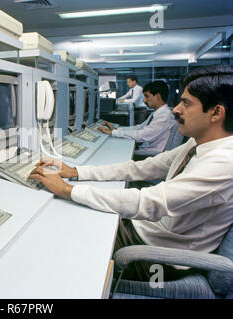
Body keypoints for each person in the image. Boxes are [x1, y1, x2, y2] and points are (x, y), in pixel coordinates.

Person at [29, 65, 233, 282]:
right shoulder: (199, 142)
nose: (176, 109)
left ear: (216, 113)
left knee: (62, 243)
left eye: (186, 103)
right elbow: (143, 167)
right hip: (145, 232)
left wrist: (67, 189)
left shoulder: (224, 163)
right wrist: (77, 171)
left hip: (161, 259)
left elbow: (148, 201)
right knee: (69, 220)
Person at [98, 80, 175, 157]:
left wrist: (113, 132)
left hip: (150, 154)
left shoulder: (165, 116)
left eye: (147, 96)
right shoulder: (158, 113)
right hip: (146, 148)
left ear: (158, 96)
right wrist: (117, 129)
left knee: (113, 153)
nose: (144, 100)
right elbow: (140, 127)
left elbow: (142, 135)